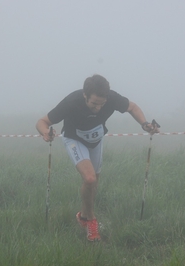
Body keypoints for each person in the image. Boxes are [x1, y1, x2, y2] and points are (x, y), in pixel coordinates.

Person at [36, 74, 160, 241]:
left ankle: (83, 217)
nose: (98, 108)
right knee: (89, 178)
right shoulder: (71, 101)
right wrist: (45, 132)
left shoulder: (111, 98)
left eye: (101, 104)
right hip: (74, 139)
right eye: (94, 103)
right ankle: (92, 222)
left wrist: (144, 124)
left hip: (96, 140)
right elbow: (42, 121)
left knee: (94, 183)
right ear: (84, 95)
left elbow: (132, 107)